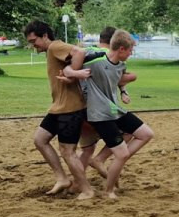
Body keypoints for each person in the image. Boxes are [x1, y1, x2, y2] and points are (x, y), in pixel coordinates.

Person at [79, 29, 153, 199]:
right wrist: (72, 73)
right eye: (130, 50)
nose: (132, 53)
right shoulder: (94, 60)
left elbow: (120, 79)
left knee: (146, 134)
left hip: (113, 109)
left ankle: (109, 161)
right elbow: (73, 60)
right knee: (122, 153)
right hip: (99, 113)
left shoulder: (121, 65)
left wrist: (124, 91)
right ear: (121, 49)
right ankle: (108, 191)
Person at [25, 20, 92, 198]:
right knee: (40, 139)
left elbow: (80, 51)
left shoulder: (55, 46)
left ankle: (87, 190)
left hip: (70, 109)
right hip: (58, 107)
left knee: (67, 152)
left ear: (45, 36)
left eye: (34, 41)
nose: (33, 46)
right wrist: (73, 73)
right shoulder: (51, 51)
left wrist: (73, 75)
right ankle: (62, 178)